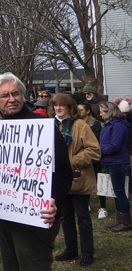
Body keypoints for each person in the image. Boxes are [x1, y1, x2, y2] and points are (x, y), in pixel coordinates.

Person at [0, 72, 73, 271]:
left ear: (23, 96)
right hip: (7, 216)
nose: (12, 99)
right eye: (5, 95)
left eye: (16, 93)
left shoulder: (43, 128)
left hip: (37, 217)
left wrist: (54, 200)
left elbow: (63, 172)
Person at [48, 94, 101, 266]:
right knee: (65, 217)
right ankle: (71, 250)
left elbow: (94, 150)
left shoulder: (80, 126)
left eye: (62, 105)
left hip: (79, 178)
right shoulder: (50, 125)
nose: (58, 108)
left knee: (83, 217)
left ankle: (87, 252)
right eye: (55, 105)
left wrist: (71, 162)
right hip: (60, 181)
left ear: (70, 107)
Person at [99, 102, 131, 232]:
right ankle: (120, 219)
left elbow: (115, 145)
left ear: (109, 112)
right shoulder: (110, 125)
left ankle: (126, 221)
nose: (100, 114)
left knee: (120, 192)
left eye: (102, 111)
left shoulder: (118, 126)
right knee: (116, 192)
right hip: (111, 161)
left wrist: (99, 150)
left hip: (117, 162)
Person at [78, 102, 107, 219]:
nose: (78, 112)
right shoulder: (76, 123)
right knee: (85, 182)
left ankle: (103, 207)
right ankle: (86, 204)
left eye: (80, 110)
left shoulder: (95, 124)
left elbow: (96, 142)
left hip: (94, 159)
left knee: (99, 181)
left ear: (87, 111)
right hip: (81, 158)